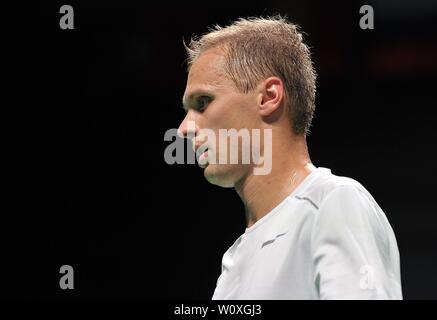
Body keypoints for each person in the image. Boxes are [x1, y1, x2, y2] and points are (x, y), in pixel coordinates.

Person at [177, 16, 402, 299]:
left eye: (202, 102)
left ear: (269, 96)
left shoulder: (333, 205)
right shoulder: (234, 261)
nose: (185, 128)